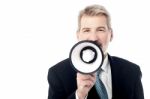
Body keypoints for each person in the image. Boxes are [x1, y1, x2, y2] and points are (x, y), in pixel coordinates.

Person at [47, 4, 144, 99]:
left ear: (111, 35)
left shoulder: (132, 72)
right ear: (78, 35)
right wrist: (79, 95)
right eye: (86, 30)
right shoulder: (58, 74)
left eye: (100, 30)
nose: (93, 38)